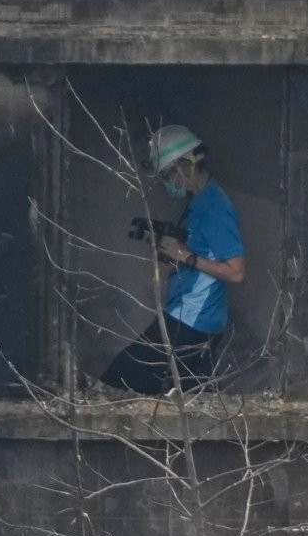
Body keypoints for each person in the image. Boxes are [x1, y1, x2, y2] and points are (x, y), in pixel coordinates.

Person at [100, 124, 242, 394]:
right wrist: (175, 255)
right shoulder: (200, 203)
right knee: (193, 398)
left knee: (119, 382)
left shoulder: (216, 208)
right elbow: (202, 257)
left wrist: (185, 256)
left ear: (187, 165)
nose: (167, 182)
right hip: (194, 317)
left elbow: (236, 272)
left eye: (168, 174)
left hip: (191, 319)